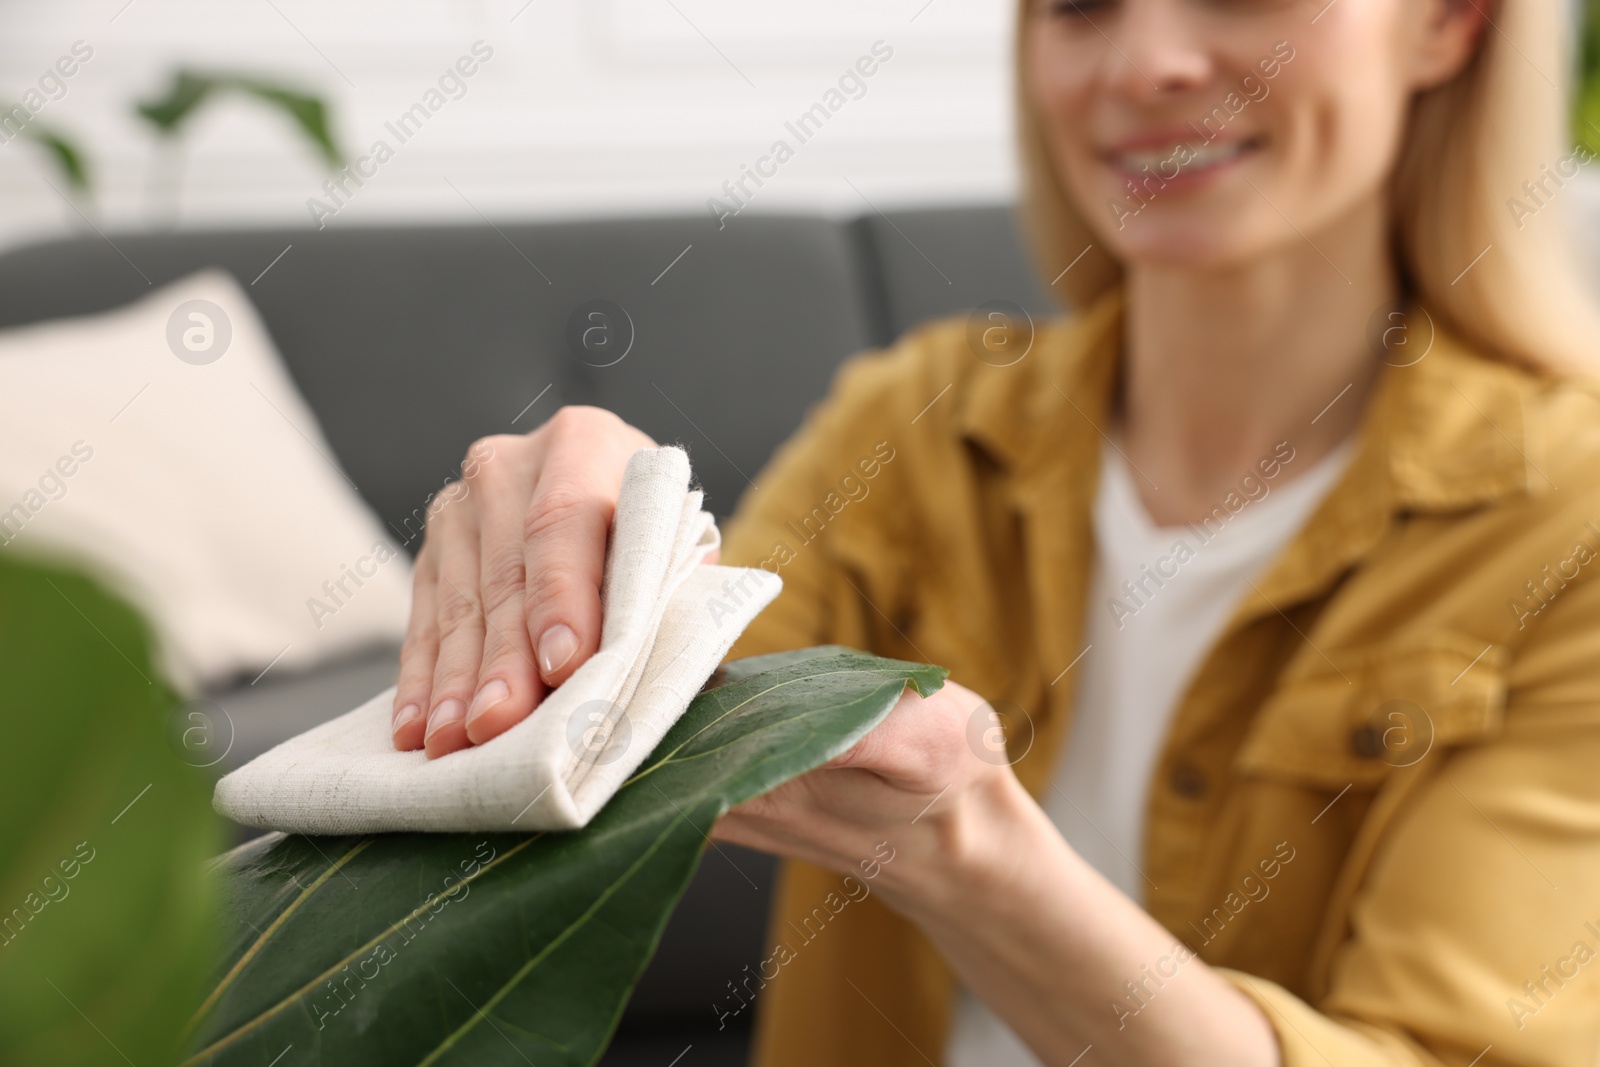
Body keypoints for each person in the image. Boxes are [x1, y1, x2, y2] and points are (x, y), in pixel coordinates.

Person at [387, 0, 1600, 1062]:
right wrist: (596, 514)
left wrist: (969, 854)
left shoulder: (1570, 527)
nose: (1144, 61)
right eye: (1076, 2)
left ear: (1449, 19)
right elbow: (664, 689)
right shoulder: (917, 422)